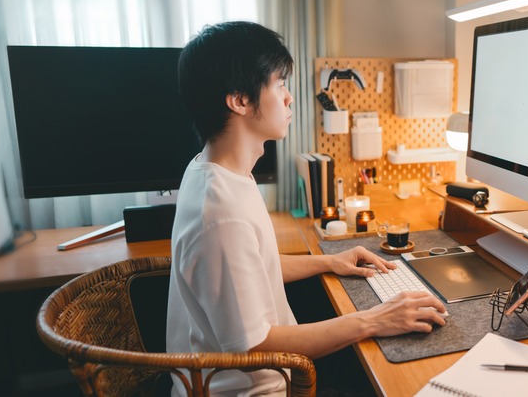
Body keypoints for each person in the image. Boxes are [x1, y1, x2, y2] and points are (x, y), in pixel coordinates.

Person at [167, 21, 447, 396]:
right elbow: (255, 347)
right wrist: (372, 320)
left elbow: (251, 266)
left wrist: (328, 261)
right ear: (240, 100)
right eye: (279, 84)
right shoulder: (221, 212)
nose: (289, 98)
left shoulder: (214, 171)